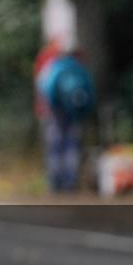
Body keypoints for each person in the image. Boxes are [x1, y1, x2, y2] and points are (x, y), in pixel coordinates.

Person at [34, 39, 95, 192]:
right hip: (74, 113)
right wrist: (83, 111)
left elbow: (43, 87)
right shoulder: (80, 69)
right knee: (71, 146)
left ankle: (55, 183)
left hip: (55, 113)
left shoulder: (54, 67)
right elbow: (90, 92)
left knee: (55, 147)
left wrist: (51, 107)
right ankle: (70, 182)